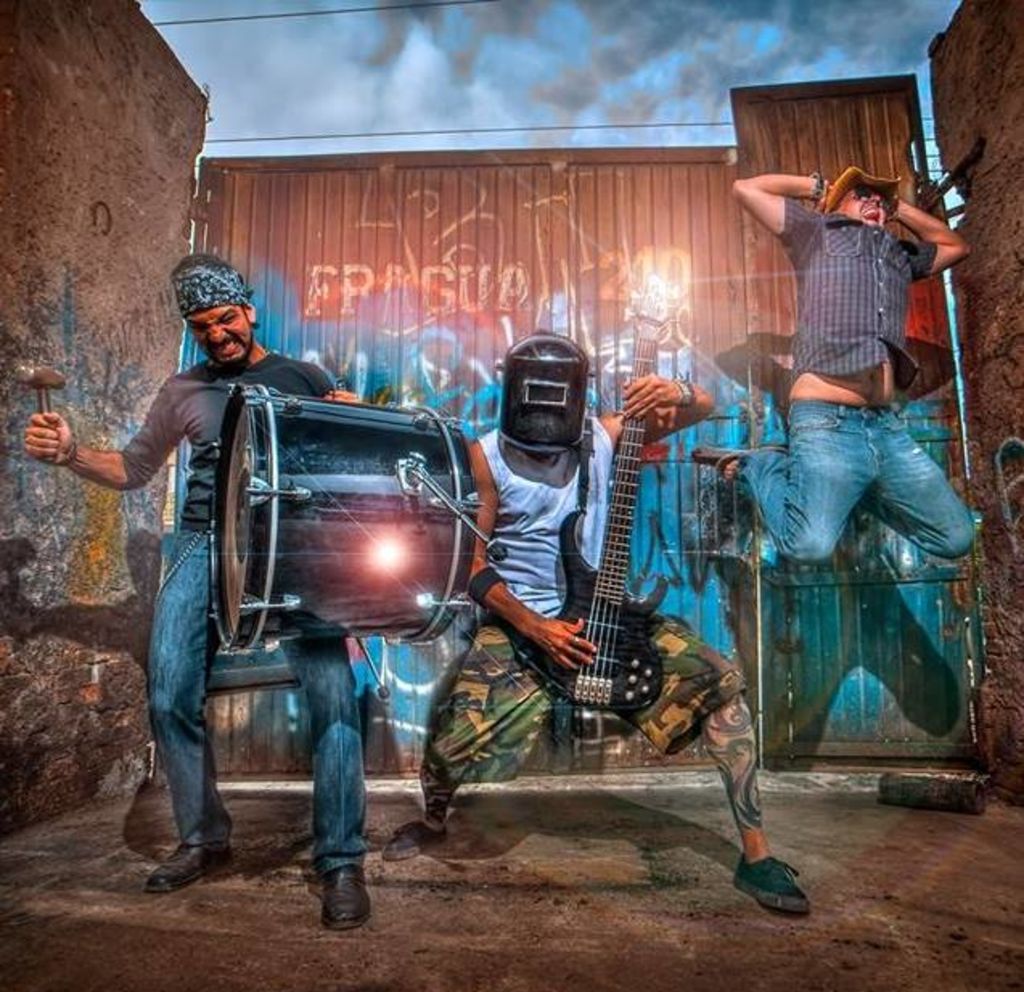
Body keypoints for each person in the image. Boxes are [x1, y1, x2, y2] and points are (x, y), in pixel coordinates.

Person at [382, 332, 810, 915]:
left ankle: (757, 854)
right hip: (526, 624)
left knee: (723, 692)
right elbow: (472, 566)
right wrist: (533, 626)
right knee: (452, 738)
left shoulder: (607, 437)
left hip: (611, 617)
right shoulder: (485, 456)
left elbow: (705, 405)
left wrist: (680, 390)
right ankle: (433, 820)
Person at [23, 254, 370, 931]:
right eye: (201, 326)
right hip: (201, 543)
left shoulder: (303, 377)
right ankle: (204, 837)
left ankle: (341, 860)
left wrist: (351, 419)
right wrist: (69, 453)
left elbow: (347, 464)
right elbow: (132, 468)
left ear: (249, 312)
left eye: (225, 319)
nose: (216, 335)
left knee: (332, 693)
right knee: (169, 694)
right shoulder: (182, 389)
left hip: (290, 545)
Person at [693, 166, 974, 564]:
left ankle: (859, 489)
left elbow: (955, 247)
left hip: (885, 426)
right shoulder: (816, 232)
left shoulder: (898, 255)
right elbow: (746, 189)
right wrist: (816, 188)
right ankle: (758, 464)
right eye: (861, 195)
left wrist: (899, 209)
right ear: (837, 204)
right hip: (827, 423)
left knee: (955, 537)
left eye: (880, 199)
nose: (874, 201)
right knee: (807, 545)